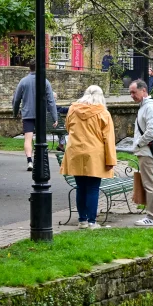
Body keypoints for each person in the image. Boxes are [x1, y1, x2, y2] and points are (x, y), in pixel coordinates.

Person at [59, 85, 117, 229]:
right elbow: (108, 138)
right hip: (94, 153)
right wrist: (111, 160)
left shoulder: (73, 109)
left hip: (75, 152)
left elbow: (68, 127)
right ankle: (92, 221)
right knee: (92, 188)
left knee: (80, 187)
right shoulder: (103, 113)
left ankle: (82, 220)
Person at [11, 61, 58, 172]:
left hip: (27, 114)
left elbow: (16, 99)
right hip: (40, 114)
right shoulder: (45, 82)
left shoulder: (23, 81)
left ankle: (29, 161)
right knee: (40, 138)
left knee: (28, 138)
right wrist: (54, 117)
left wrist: (15, 112)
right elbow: (51, 101)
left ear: (29, 68)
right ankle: (40, 160)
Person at [130, 79, 153, 226]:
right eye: (130, 92)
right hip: (144, 151)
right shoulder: (144, 106)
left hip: (147, 151)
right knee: (148, 183)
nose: (132, 95)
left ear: (143, 90)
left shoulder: (150, 107)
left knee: (150, 184)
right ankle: (151, 215)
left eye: (134, 92)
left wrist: (138, 143)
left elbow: (152, 131)